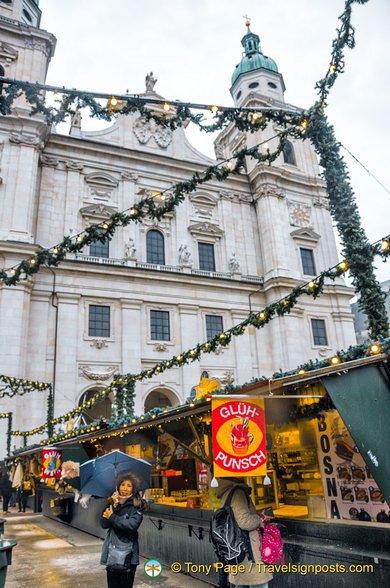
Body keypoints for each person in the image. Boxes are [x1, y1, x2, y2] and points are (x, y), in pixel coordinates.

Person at [214, 477, 273, 588]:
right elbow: (244, 522)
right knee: (259, 583)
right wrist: (260, 518)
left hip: (238, 549)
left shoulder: (227, 491)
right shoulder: (238, 493)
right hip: (248, 550)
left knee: (243, 582)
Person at [100, 472, 145, 588]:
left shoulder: (137, 505)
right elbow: (104, 524)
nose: (125, 488)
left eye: (129, 485)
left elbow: (131, 525)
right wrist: (113, 505)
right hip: (112, 553)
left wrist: (113, 517)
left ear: (133, 488)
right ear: (118, 486)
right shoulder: (113, 503)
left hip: (128, 556)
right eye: (122, 485)